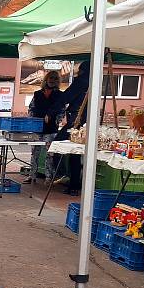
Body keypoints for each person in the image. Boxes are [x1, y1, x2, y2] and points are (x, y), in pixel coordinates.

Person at [57, 61, 90, 196]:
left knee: (58, 145)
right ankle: (74, 182)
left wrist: (53, 108)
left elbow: (65, 97)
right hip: (88, 121)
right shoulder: (93, 81)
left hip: (76, 120)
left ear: (82, 70)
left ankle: (65, 176)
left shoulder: (80, 82)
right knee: (77, 152)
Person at [28, 70, 65, 186]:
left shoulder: (60, 95)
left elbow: (62, 111)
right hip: (37, 128)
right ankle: (31, 175)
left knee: (50, 154)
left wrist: (56, 121)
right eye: (50, 78)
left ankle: (49, 177)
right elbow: (31, 108)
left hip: (51, 129)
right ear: (46, 79)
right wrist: (32, 119)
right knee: (35, 153)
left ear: (58, 81)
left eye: (55, 79)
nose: (52, 81)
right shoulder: (37, 94)